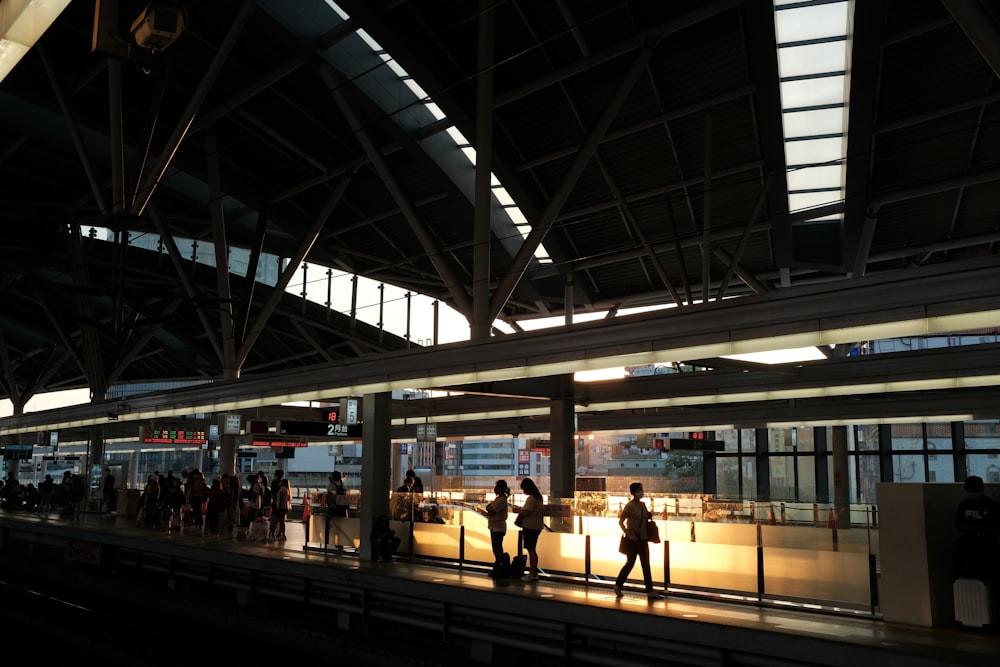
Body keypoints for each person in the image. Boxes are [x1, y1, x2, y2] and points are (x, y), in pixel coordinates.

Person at [613, 482, 662, 600]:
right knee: (630, 563)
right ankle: (618, 585)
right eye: (639, 490)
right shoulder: (629, 506)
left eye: (642, 489)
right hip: (633, 540)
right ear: (633, 492)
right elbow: (621, 521)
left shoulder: (643, 505)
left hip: (643, 539)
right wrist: (628, 532)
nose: (641, 492)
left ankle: (649, 590)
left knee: (646, 565)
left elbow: (646, 519)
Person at [954, 475, 1000, 581]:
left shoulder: (992, 505)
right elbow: (958, 524)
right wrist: (981, 528)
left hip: (987, 545)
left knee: (989, 575)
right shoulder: (964, 505)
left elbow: (997, 526)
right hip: (969, 546)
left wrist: (976, 528)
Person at [517, 477, 545, 582]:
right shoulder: (539, 498)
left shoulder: (531, 498)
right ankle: (534, 572)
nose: (523, 491)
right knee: (532, 549)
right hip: (537, 526)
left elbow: (527, 512)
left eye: (523, 488)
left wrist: (518, 510)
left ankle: (533, 573)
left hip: (530, 526)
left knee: (531, 550)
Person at [486, 479, 510, 563]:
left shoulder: (501, 500)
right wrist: (489, 508)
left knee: (497, 548)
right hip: (496, 526)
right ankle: (499, 565)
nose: (495, 489)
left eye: (496, 487)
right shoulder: (500, 499)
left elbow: (492, 511)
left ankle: (500, 565)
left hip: (497, 527)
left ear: (500, 488)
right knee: (497, 547)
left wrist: (488, 508)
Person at [267, 478, 291, 542]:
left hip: (280, 508)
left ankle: (273, 535)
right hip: (284, 508)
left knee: (274, 521)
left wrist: (279, 507)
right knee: (282, 522)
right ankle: (282, 534)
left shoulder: (282, 489)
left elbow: (281, 498)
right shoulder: (287, 489)